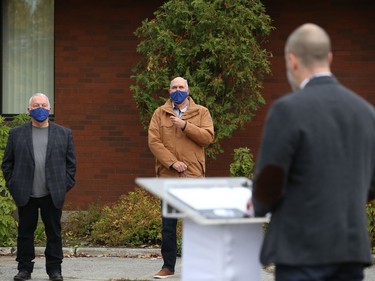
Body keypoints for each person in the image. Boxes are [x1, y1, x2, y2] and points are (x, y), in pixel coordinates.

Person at [251, 23, 375, 281]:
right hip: (350, 250)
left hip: (301, 250)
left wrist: (257, 206)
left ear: (292, 60)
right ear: (328, 58)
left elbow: (271, 180)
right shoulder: (366, 113)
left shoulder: (288, 110)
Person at [1, 93, 77, 281]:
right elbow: (7, 164)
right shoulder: (16, 133)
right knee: (25, 233)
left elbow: (71, 165)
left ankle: (54, 270)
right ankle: (24, 269)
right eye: (36, 105)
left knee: (54, 233)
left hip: (52, 194)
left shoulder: (64, 133)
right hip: (26, 193)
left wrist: (62, 186)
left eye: (43, 105)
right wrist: (14, 185)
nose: (40, 108)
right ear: (29, 110)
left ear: (50, 109)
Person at [148, 77, 214, 278]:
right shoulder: (160, 113)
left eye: (181, 87)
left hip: (193, 177)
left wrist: (185, 125)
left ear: (188, 90)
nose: (177, 90)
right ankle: (168, 266)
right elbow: (154, 142)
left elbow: (208, 137)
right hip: (168, 177)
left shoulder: (201, 112)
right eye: (174, 87)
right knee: (168, 225)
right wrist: (172, 162)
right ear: (169, 91)